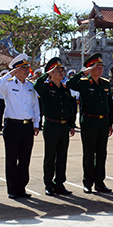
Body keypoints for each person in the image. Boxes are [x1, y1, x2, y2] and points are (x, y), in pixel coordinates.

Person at [0, 53, 40, 198]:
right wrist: (10, 74)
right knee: (12, 159)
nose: (27, 71)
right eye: (24, 68)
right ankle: (12, 189)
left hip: (27, 127)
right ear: (16, 70)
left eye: (28, 68)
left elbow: (35, 105)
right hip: (12, 125)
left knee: (25, 159)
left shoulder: (31, 86)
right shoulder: (7, 84)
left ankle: (22, 188)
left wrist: (36, 122)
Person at [66, 53, 113, 193]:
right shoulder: (83, 82)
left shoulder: (105, 83)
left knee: (101, 153)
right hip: (89, 121)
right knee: (89, 153)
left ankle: (100, 182)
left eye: (101, 67)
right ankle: (87, 182)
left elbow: (109, 104)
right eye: (97, 67)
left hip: (103, 121)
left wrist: (110, 122)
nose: (100, 69)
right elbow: (70, 83)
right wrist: (83, 72)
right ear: (90, 68)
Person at [33, 57, 75, 196]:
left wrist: (71, 124)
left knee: (62, 156)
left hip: (64, 126)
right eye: (57, 70)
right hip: (51, 124)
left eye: (62, 70)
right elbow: (36, 86)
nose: (61, 72)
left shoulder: (65, 89)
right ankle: (48, 183)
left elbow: (70, 108)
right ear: (50, 72)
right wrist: (46, 74)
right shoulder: (46, 87)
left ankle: (60, 183)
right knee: (50, 156)